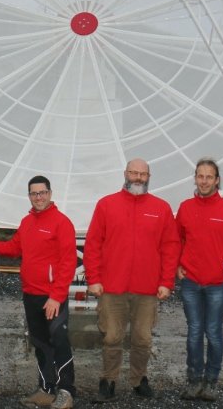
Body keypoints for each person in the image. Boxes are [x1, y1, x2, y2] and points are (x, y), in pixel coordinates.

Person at [83, 158, 180, 402]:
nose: (138, 177)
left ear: (149, 176)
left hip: (147, 289)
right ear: (125, 173)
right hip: (111, 287)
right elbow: (93, 244)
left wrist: (166, 282)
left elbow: (170, 247)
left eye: (142, 174)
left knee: (142, 339)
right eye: (134, 173)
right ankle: (108, 381)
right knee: (112, 337)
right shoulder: (107, 205)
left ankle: (139, 380)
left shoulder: (161, 208)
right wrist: (93, 278)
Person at [0, 175, 78, 409]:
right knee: (41, 343)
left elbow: (68, 262)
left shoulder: (62, 223)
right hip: (31, 294)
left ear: (50, 194)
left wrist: (56, 296)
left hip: (53, 297)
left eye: (42, 192)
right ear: (29, 196)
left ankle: (66, 391)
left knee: (60, 342)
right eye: (34, 193)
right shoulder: (27, 222)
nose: (38, 197)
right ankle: (46, 389)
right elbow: (14, 248)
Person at [175, 158, 223, 402]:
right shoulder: (185, 208)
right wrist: (178, 264)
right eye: (200, 176)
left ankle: (211, 382)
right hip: (191, 283)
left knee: (214, 332)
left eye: (209, 176)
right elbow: (176, 240)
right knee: (195, 332)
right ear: (195, 178)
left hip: (218, 283)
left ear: (217, 180)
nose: (204, 181)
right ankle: (194, 380)